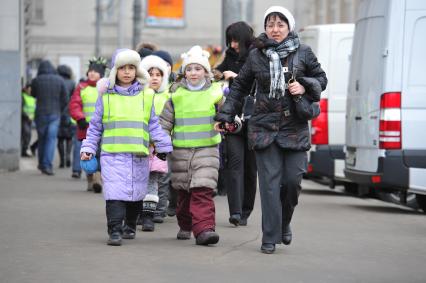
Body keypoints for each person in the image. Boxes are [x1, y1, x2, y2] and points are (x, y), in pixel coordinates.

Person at [215, 6, 327, 254]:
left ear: (289, 27)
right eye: (270, 25)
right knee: (268, 184)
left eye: (280, 24)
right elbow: (240, 87)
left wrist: (304, 85)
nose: (275, 30)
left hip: (294, 127)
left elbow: (322, 79)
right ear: (265, 28)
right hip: (264, 127)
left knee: (292, 183)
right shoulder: (256, 54)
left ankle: (284, 222)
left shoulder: (304, 52)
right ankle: (269, 236)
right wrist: (225, 115)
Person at [80, 48, 172, 246]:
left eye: (132, 68)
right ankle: (114, 230)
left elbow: (153, 124)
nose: (127, 72)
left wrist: (163, 146)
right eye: (123, 68)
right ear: (115, 71)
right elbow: (95, 127)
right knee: (114, 194)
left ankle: (130, 226)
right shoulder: (106, 97)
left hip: (138, 155)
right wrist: (88, 148)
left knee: (136, 195)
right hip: (112, 155)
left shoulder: (146, 96)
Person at [160, 45, 223, 246]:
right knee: (184, 193)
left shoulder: (216, 92)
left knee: (202, 190)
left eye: (198, 68)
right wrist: (161, 144)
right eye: (189, 69)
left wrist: (231, 123)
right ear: (183, 72)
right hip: (181, 152)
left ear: (206, 71)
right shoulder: (175, 95)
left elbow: (229, 115)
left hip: (208, 150)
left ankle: (204, 230)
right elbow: (165, 123)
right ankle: (185, 224)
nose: (193, 73)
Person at [213, 21, 258, 227]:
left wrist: (237, 76)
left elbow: (261, 81)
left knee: (250, 168)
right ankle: (236, 212)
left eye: (235, 40)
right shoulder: (230, 57)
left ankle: (246, 211)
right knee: (234, 164)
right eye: (229, 40)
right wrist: (215, 73)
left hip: (255, 119)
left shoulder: (258, 55)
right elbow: (217, 72)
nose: (232, 45)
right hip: (233, 119)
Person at [137, 55, 171, 231]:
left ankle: (152, 213)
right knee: (137, 180)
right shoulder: (138, 96)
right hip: (139, 146)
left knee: (156, 180)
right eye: (151, 73)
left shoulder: (168, 97)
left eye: (159, 74)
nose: (155, 77)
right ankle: (137, 213)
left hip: (158, 147)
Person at [69, 57, 107, 188]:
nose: (92, 73)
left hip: (103, 128)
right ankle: (90, 179)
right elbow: (75, 104)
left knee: (100, 153)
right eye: (90, 71)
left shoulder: (105, 88)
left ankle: (97, 178)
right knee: (87, 154)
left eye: (95, 71)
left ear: (101, 74)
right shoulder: (81, 87)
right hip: (85, 127)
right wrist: (80, 118)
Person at [31, 60, 68, 175]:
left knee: (42, 139)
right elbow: (65, 98)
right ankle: (47, 165)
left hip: (40, 114)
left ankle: (42, 164)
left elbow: (33, 94)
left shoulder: (36, 80)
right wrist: (59, 110)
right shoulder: (60, 80)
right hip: (55, 114)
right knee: (51, 140)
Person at [57, 65, 76, 168]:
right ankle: (68, 156)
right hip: (70, 113)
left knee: (60, 138)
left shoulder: (57, 82)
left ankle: (62, 160)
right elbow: (75, 98)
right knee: (69, 138)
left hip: (59, 112)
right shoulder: (72, 83)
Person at [21, 83, 36, 157]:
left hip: (30, 120)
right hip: (24, 119)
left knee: (28, 135)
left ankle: (24, 150)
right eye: (29, 89)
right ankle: (23, 151)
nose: (30, 91)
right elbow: (21, 109)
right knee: (26, 135)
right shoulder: (23, 96)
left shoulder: (33, 97)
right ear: (26, 89)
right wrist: (27, 116)